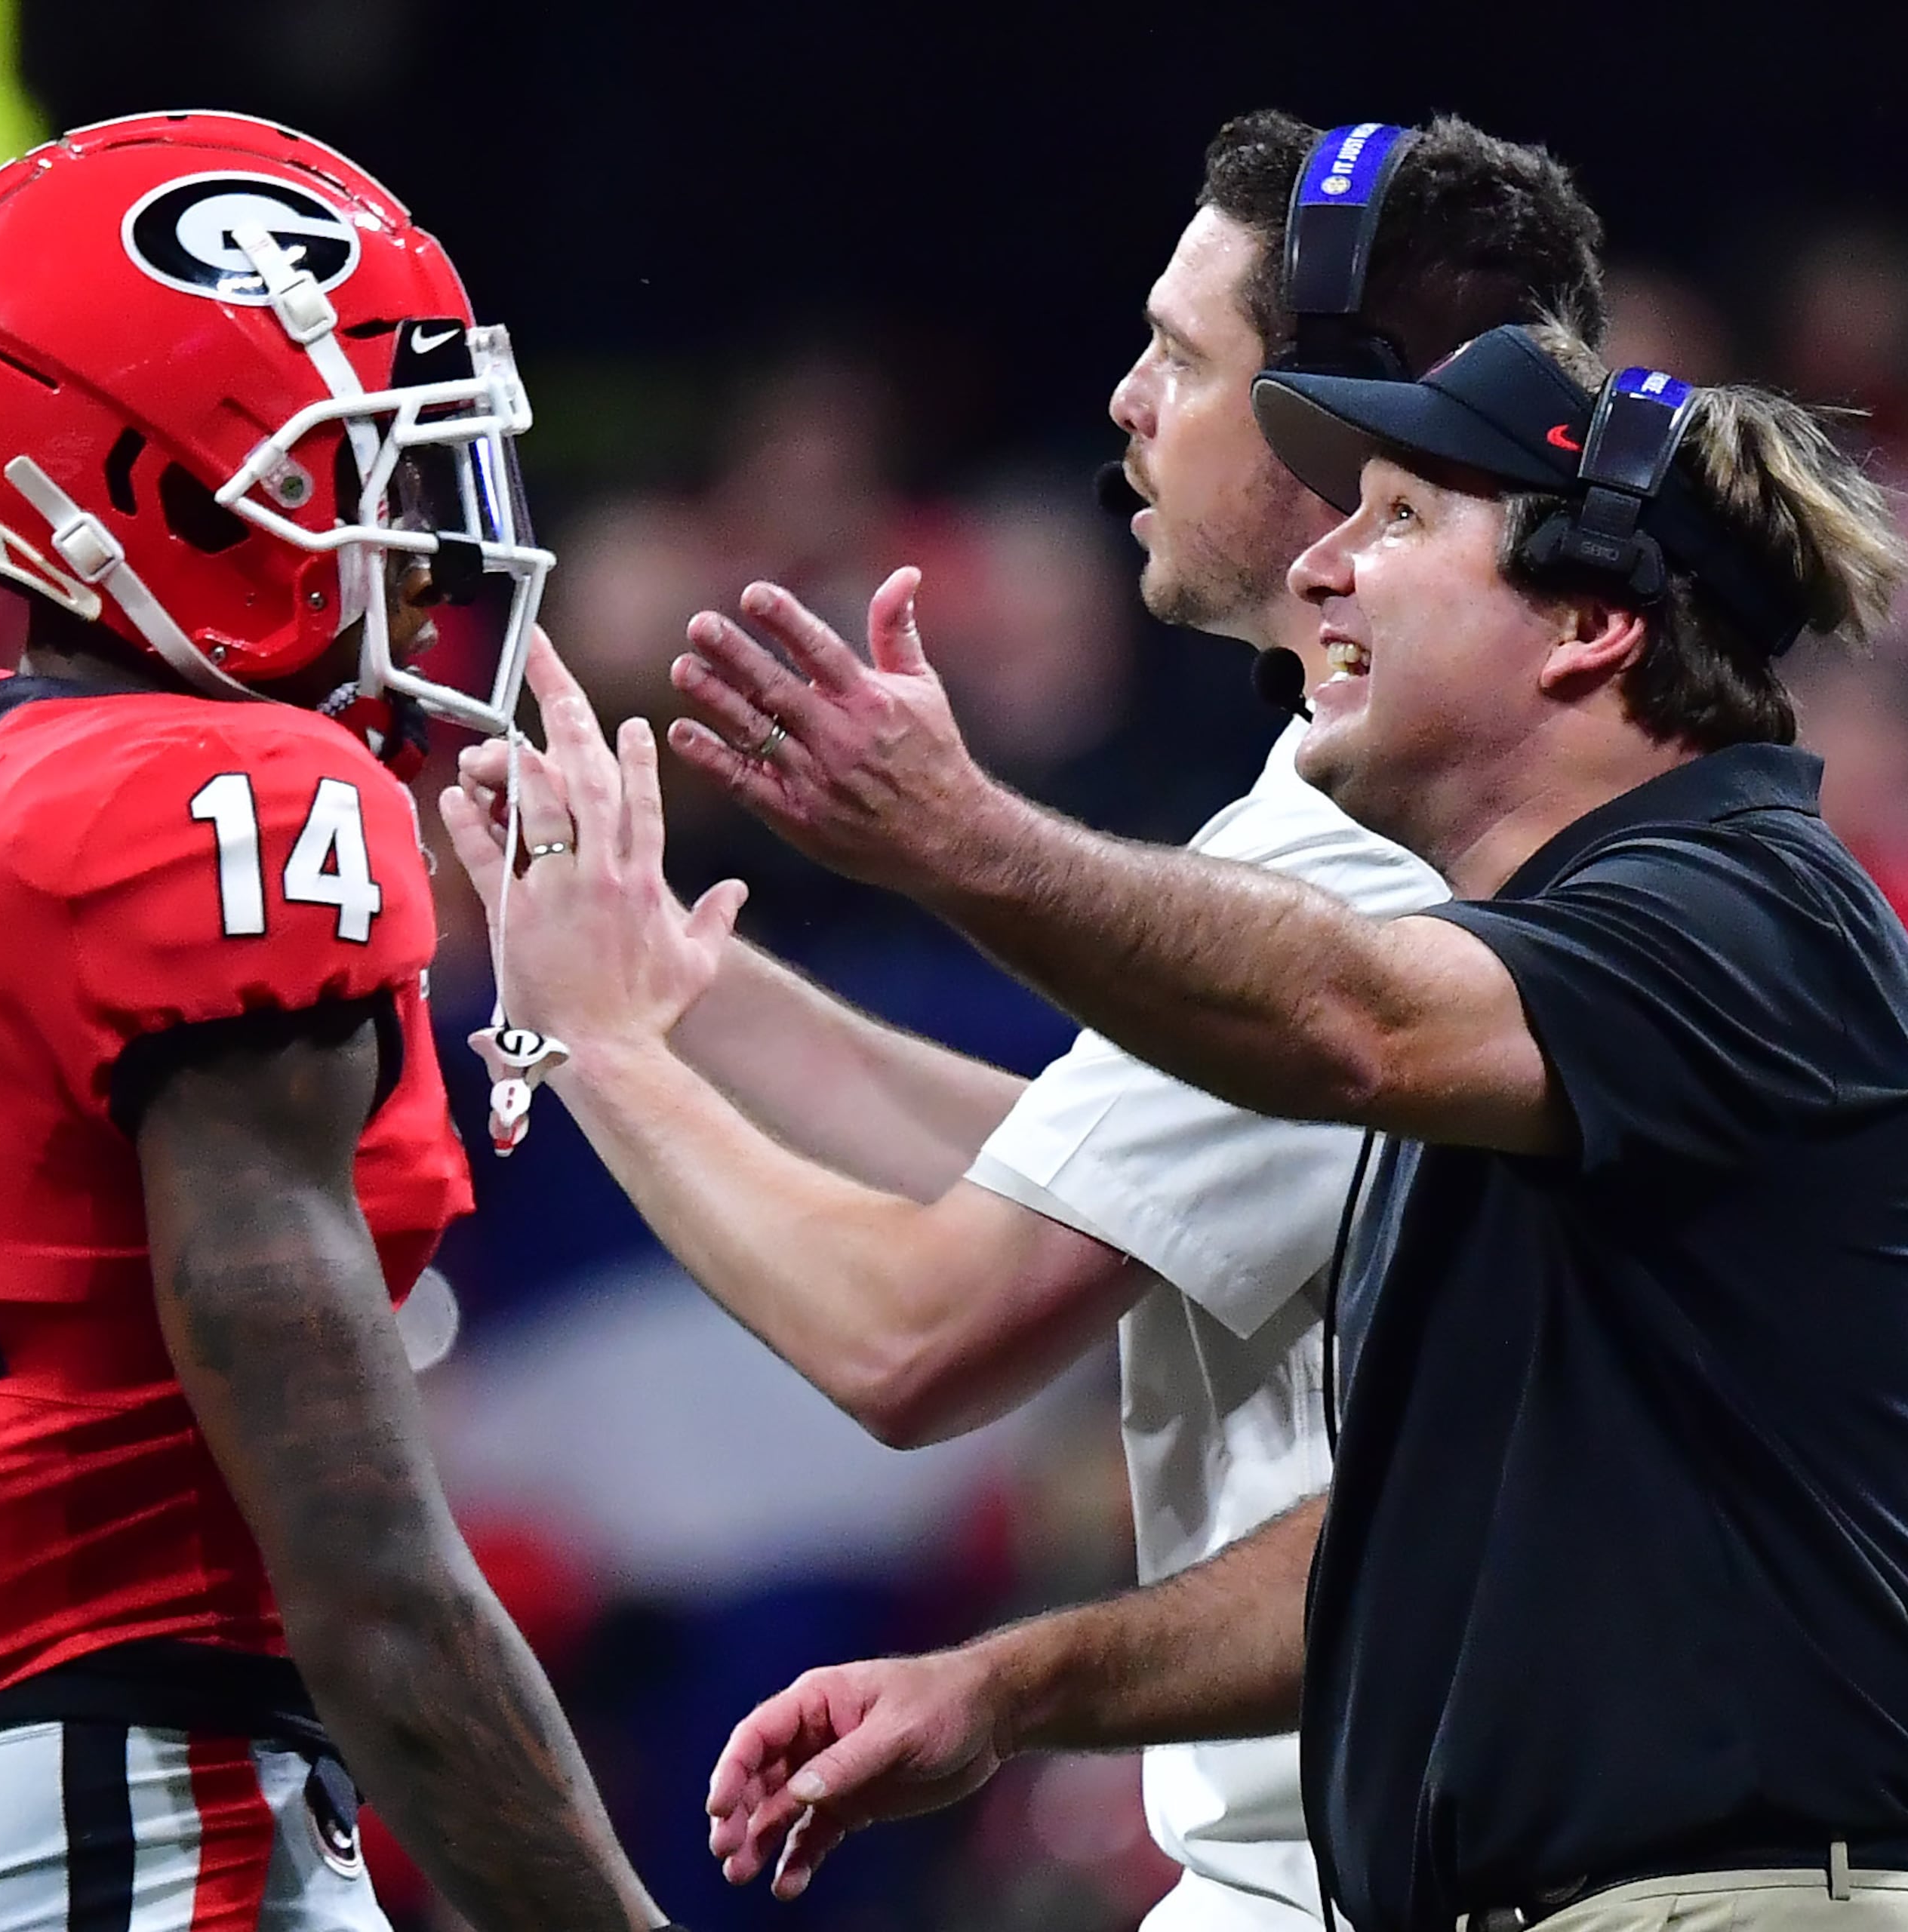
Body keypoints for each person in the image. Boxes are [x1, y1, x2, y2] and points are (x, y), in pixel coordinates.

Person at [643, 318, 1908, 1932]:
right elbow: (1383, 1551)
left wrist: (962, 840)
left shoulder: (1743, 912)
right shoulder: (1550, 1021)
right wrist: (1004, 1686)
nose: (1325, 575)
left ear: (1589, 624)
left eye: (1398, 522)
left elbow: (1343, 1020)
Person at [443, 113, 1607, 1930]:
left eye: (1183, 358)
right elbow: (1093, 1161)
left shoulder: (1367, 851)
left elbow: (917, 1335)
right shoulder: (1414, 803)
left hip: (1402, 1872)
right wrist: (680, 981)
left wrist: (588, 1039)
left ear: (1348, 434)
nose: (1129, 405)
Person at [0, 113, 669, 1932]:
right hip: (139, 1834)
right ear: (153, 489)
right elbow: (372, 1585)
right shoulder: (229, 809)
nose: (418, 542)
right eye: (346, 471)